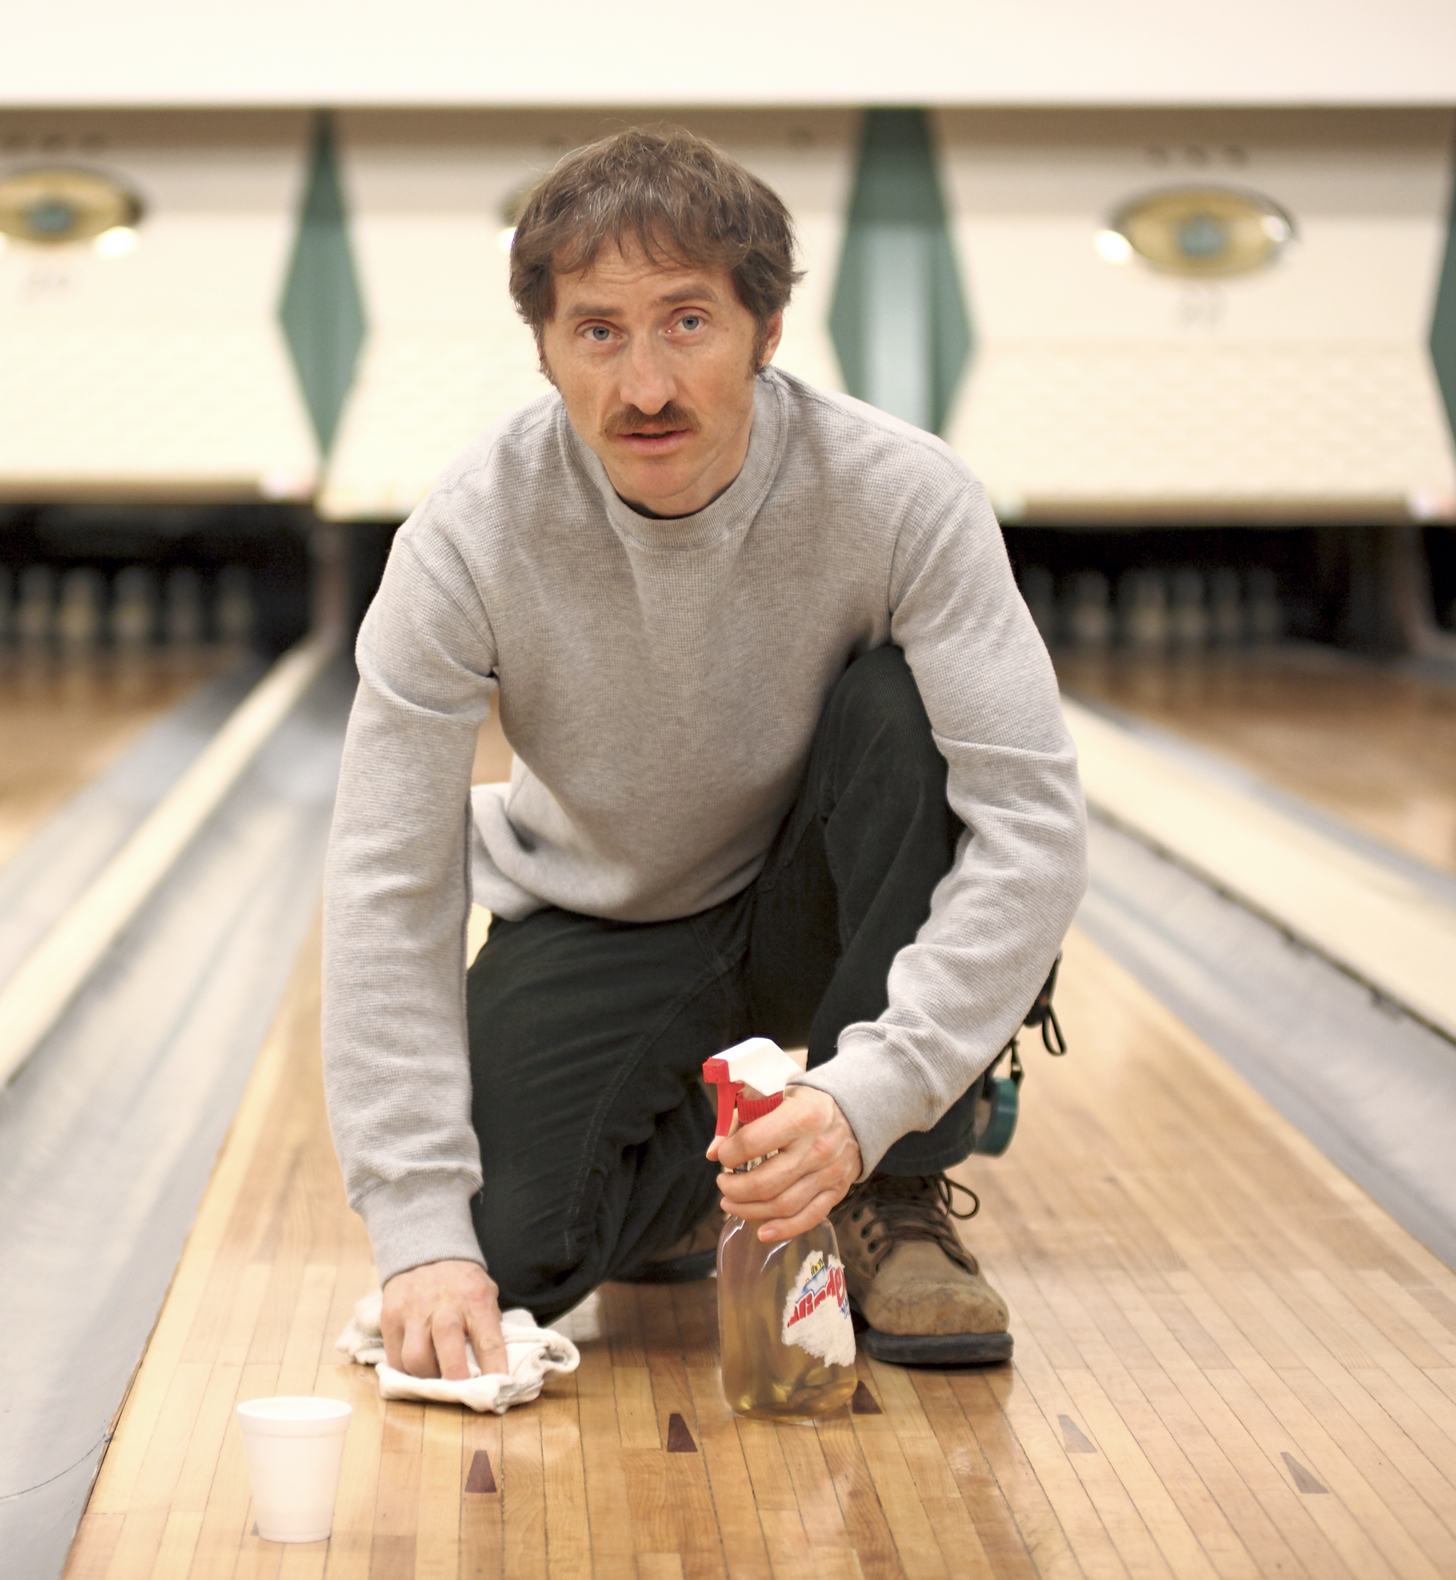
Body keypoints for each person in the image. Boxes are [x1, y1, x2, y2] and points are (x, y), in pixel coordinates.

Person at [321, 125, 1086, 1382]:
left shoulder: (901, 495)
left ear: (765, 330)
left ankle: (895, 1177)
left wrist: (876, 1089)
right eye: (597, 331)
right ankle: (703, 1174)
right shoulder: (467, 534)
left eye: (686, 323)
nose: (644, 387)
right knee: (505, 1249)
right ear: (543, 348)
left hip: (820, 897)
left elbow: (1031, 822)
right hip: (606, 916)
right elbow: (385, 875)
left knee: (902, 714)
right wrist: (415, 1230)